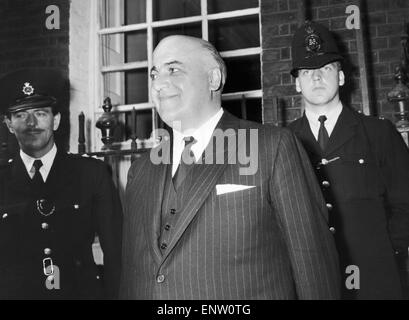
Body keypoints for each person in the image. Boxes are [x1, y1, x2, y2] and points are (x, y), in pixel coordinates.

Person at [120, 35, 340, 299]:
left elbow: (312, 264)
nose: (158, 84)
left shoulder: (272, 148)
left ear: (213, 79)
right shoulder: (141, 169)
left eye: (173, 70)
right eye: (154, 74)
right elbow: (132, 276)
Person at [287, 21, 409, 299]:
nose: (316, 78)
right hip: (311, 282)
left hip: (374, 279)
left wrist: (384, 248)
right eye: (307, 72)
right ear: (297, 83)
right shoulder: (284, 141)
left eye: (326, 69)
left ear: (341, 77)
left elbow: (406, 203)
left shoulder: (378, 133)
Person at [0, 68, 123, 299]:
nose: (31, 123)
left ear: (55, 120)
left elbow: (116, 252)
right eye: (20, 115)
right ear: (9, 124)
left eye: (40, 113)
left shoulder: (91, 174)